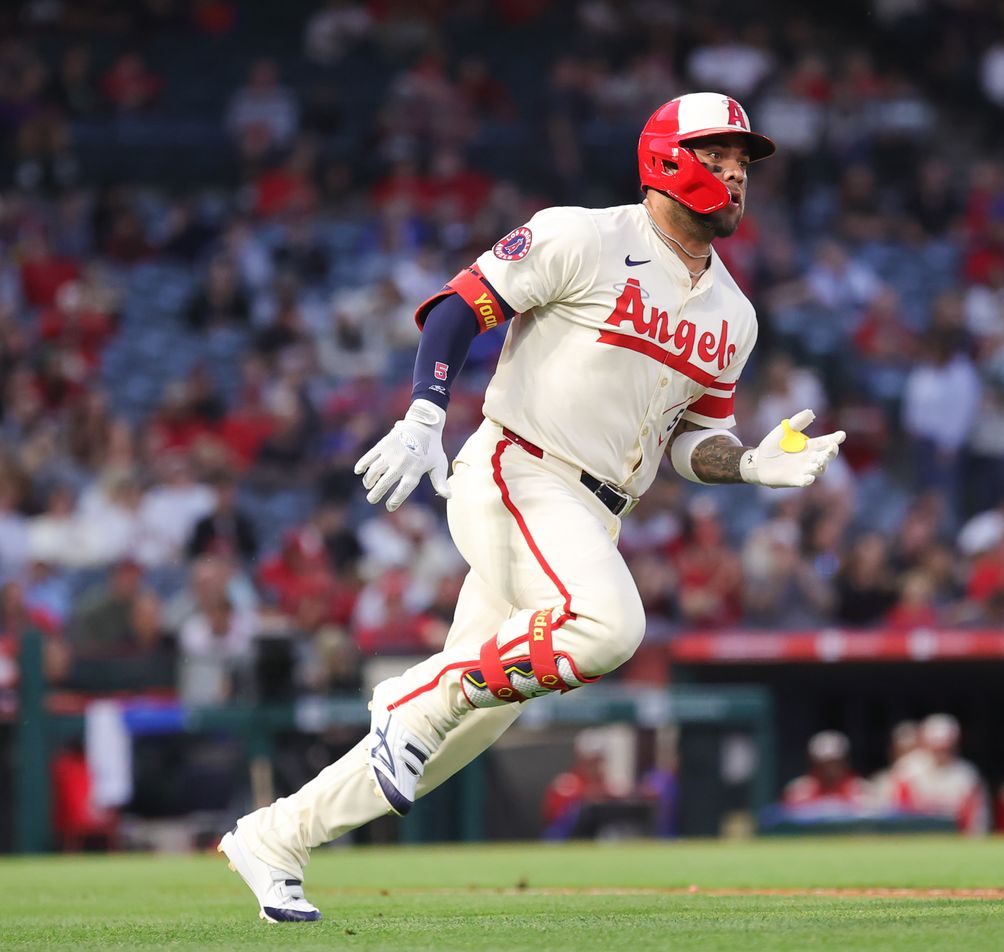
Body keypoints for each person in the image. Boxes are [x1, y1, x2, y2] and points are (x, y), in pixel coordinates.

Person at [218, 92, 846, 922]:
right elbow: (458, 305)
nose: (737, 173)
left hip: (592, 510)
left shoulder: (734, 313)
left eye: (745, 162)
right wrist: (424, 412)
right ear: (667, 158)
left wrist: (753, 464)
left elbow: (694, 442)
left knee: (459, 733)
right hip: (521, 470)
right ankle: (412, 700)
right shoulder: (582, 235)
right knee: (610, 626)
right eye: (720, 153)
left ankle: (275, 835)